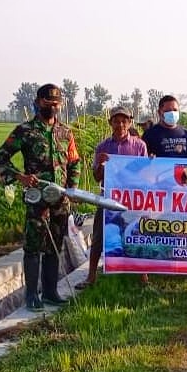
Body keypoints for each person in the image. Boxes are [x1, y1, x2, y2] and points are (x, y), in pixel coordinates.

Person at [0, 84, 81, 311]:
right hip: (36, 200)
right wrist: (19, 177)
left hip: (60, 200)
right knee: (33, 247)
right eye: (47, 102)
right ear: (38, 102)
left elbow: (74, 162)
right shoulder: (25, 131)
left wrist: (72, 189)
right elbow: (0, 158)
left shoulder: (66, 132)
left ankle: (51, 292)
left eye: (56, 103)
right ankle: (32, 295)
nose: (52, 107)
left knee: (55, 245)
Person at [75, 106, 148, 290]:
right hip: (107, 198)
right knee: (99, 236)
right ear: (110, 123)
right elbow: (97, 177)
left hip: (132, 199)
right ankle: (91, 277)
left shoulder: (139, 146)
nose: (120, 124)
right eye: (116, 121)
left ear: (129, 123)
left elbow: (144, 174)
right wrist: (100, 163)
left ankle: (143, 277)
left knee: (136, 234)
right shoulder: (103, 147)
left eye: (124, 121)